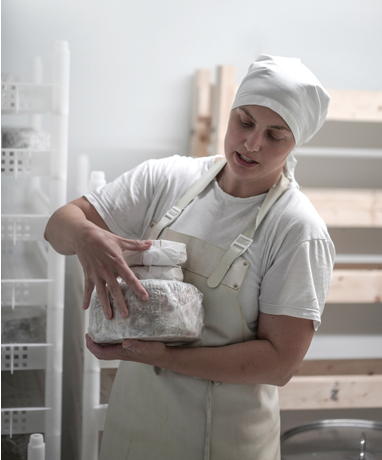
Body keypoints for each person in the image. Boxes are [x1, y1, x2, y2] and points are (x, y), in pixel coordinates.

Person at [44, 55, 335, 459]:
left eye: (275, 135)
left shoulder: (297, 229)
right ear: (230, 113)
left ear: (295, 142)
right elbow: (58, 225)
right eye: (245, 122)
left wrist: (166, 357)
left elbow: (278, 364)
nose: (252, 144)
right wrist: (84, 236)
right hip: (133, 423)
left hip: (221, 440)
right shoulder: (168, 179)